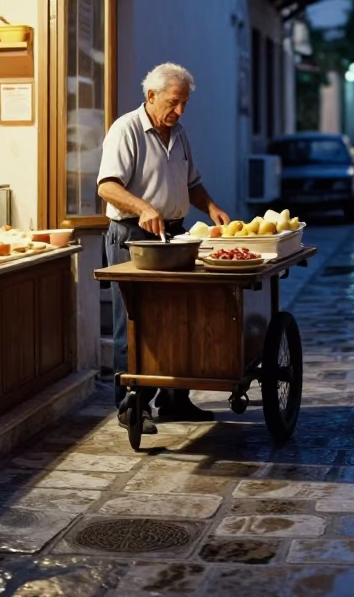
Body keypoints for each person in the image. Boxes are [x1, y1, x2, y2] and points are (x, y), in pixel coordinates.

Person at [97, 62, 229, 434]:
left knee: (181, 317)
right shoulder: (126, 129)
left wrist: (212, 207)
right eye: (174, 102)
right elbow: (107, 186)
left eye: (185, 103)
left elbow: (193, 183)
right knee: (136, 322)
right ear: (151, 96)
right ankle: (130, 405)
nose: (180, 111)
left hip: (174, 235)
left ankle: (174, 399)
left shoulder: (179, 133)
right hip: (132, 237)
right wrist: (143, 207)